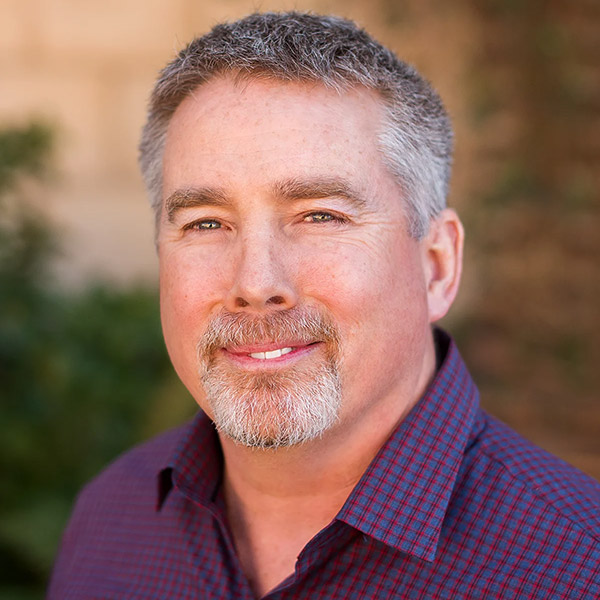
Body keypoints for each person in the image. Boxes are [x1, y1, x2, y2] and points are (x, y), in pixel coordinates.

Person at [48, 12, 599, 599]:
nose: (256, 282)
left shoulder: (578, 566)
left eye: (320, 216)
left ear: (436, 265)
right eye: (206, 222)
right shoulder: (111, 519)